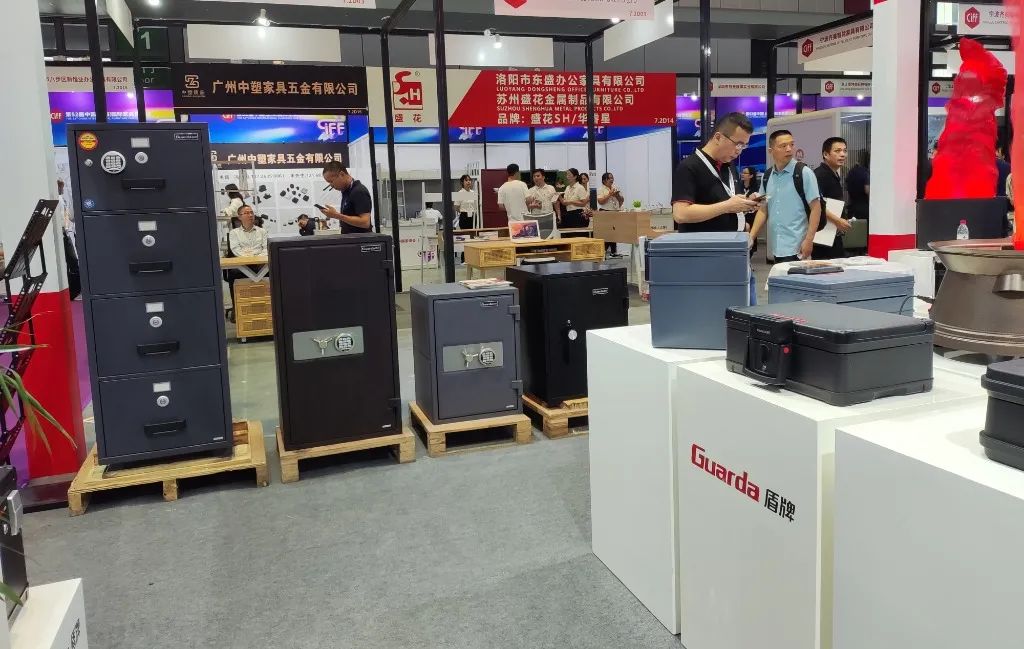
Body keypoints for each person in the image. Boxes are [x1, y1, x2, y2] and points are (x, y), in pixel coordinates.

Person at [671, 112, 758, 234]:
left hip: (734, 241)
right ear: (718, 137)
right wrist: (727, 206)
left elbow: (726, 202)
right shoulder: (689, 167)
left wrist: (746, 203)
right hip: (705, 244)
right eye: (738, 144)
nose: (739, 151)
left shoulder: (729, 165)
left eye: (743, 146)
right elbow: (681, 214)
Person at [750, 130, 822, 263]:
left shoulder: (804, 173)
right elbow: (763, 209)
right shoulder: (767, 176)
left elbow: (816, 208)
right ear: (771, 151)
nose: (789, 149)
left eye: (791, 144)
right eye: (783, 146)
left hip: (798, 247)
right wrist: (751, 236)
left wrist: (809, 240)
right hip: (777, 247)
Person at [225, 205, 269, 323]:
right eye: (247, 213)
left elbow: (265, 249)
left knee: (270, 271)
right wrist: (252, 255)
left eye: (251, 212)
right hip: (242, 265)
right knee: (233, 274)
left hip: (260, 264)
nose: (250, 215)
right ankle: (237, 309)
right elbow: (236, 250)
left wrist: (253, 256)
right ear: (239, 217)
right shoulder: (234, 233)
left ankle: (267, 308)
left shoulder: (262, 231)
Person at [813, 137, 852, 259]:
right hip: (822, 236)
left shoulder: (833, 174)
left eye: (844, 151)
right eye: (837, 151)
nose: (842, 154)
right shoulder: (820, 175)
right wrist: (837, 220)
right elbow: (816, 204)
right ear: (826, 154)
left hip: (833, 233)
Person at [319, 161, 373, 234]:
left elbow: (365, 223)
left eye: (331, 181)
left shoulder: (359, 191)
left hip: (360, 239)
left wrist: (336, 215)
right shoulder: (346, 191)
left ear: (342, 174)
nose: (331, 185)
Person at [597, 173, 624, 257]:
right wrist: (609, 195)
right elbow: (600, 202)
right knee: (607, 233)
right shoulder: (601, 189)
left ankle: (613, 252)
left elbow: (622, 200)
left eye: (612, 178)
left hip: (614, 212)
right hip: (605, 212)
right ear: (604, 180)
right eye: (610, 178)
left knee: (614, 232)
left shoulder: (616, 188)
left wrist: (617, 195)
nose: (612, 180)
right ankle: (603, 251)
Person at [559, 168, 591, 236]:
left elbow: (583, 203)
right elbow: (564, 203)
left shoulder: (579, 187)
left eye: (569, 175)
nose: (567, 177)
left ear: (575, 176)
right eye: (566, 175)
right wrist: (559, 196)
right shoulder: (567, 188)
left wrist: (571, 202)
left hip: (578, 214)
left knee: (578, 235)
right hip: (568, 214)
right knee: (569, 236)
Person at [846, 151, 870, 221]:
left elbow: (847, 186)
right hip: (863, 208)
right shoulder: (865, 172)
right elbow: (867, 190)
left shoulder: (851, 171)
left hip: (851, 206)